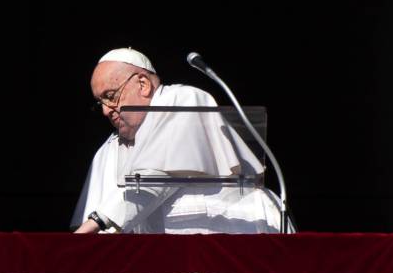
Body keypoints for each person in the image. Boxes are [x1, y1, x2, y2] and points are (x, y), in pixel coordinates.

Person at [71, 47, 282, 234]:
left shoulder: (183, 100)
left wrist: (97, 222)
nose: (106, 110)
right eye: (100, 102)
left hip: (244, 229)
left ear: (143, 84)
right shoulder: (107, 151)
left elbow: (159, 174)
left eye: (111, 96)